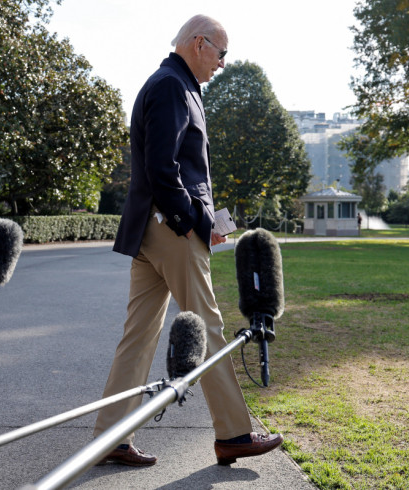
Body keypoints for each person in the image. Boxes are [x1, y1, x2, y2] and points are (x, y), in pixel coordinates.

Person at [93, 14, 283, 467]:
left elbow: (171, 169)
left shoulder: (173, 85)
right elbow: (164, 170)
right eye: (221, 53)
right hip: (171, 229)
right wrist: (196, 223)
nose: (222, 63)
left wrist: (202, 220)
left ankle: (110, 438)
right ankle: (234, 434)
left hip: (154, 229)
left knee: (138, 336)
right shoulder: (171, 87)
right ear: (199, 44)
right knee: (209, 326)